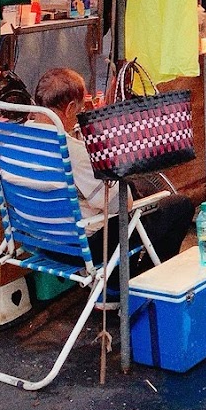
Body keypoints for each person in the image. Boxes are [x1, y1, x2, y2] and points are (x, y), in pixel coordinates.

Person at [32, 67, 194, 266]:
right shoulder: (71, 152)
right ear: (70, 108)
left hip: (38, 240)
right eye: (81, 111)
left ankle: (121, 275)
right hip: (79, 247)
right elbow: (121, 205)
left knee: (135, 193)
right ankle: (136, 280)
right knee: (179, 206)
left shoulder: (12, 139)